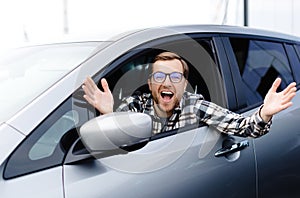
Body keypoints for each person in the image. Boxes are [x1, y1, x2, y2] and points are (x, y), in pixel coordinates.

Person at [82, 51, 296, 137]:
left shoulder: (194, 105)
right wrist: (109, 113)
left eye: (175, 77)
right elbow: (117, 130)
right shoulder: (137, 104)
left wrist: (265, 114)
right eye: (160, 77)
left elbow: (241, 126)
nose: (167, 82)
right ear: (149, 84)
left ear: (184, 85)